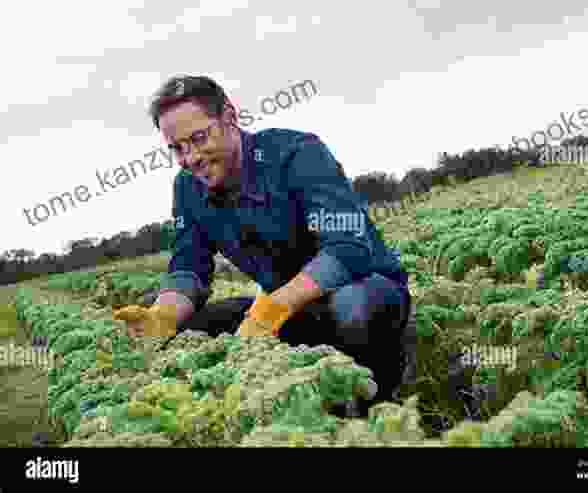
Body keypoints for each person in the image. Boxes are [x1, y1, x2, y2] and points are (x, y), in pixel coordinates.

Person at [112, 75, 417, 412]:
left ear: (229, 116)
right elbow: (188, 267)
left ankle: (374, 403)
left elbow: (348, 249)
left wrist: (278, 305)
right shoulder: (188, 188)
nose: (191, 157)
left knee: (353, 305)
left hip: (361, 290)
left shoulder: (297, 153)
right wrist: (163, 316)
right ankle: (262, 412)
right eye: (177, 148)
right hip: (285, 311)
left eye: (199, 138)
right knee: (190, 334)